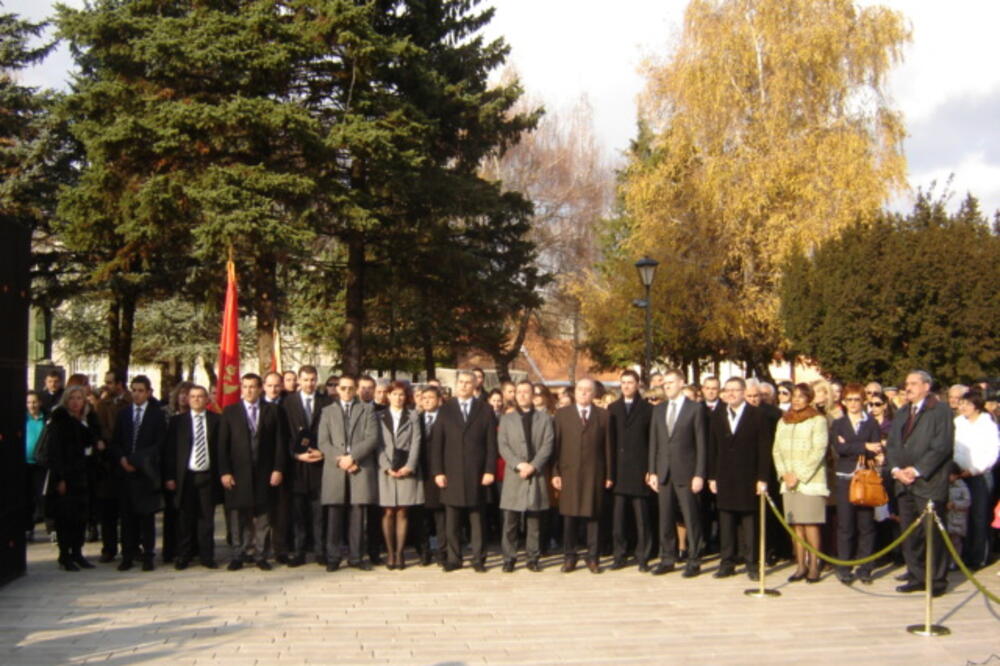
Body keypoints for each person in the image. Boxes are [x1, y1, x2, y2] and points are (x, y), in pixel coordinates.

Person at [886, 370, 954, 597]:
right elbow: (893, 444)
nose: (908, 387)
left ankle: (936, 580)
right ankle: (916, 575)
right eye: (907, 383)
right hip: (904, 484)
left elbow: (942, 446)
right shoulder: (903, 411)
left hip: (928, 483)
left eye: (914, 383)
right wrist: (896, 470)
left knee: (931, 533)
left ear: (927, 386)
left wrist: (916, 470)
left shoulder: (939, 410)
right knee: (910, 533)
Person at [430, 369, 498, 572]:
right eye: (461, 382)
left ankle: (479, 559)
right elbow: (437, 444)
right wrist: (438, 472)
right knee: (452, 519)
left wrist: (489, 470)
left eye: (469, 382)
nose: (465, 386)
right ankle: (454, 558)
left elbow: (491, 444)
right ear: (456, 384)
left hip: (477, 472)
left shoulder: (484, 409)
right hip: (451, 472)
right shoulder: (446, 409)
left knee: (477, 519)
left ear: (475, 385)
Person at [218, 373, 286, 571]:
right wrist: (225, 472)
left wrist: (278, 468)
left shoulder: (272, 410)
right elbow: (222, 446)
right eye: (246, 386)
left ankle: (260, 554)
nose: (249, 390)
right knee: (239, 516)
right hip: (238, 474)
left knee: (263, 516)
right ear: (241, 388)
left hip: (264, 472)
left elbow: (280, 443)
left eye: (253, 387)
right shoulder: (230, 412)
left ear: (260, 389)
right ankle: (239, 554)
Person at [708, 377, 770, 580]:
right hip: (724, 475)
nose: (731, 393)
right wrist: (712, 476)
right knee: (726, 520)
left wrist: (762, 477)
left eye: (736, 390)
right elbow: (713, 447)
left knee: (749, 522)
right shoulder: (718, 414)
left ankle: (752, 563)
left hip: (748, 475)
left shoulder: (757, 415)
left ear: (744, 392)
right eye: (728, 390)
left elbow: (764, 449)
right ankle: (727, 562)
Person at [647, 368, 707, 577]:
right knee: (665, 517)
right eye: (665, 383)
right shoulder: (659, 409)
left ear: (682, 383)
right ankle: (667, 558)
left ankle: (694, 559)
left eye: (671, 382)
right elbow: (654, 442)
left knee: (691, 517)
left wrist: (699, 474)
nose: (667, 386)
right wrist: (652, 471)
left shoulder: (695, 409)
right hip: (663, 472)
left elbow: (701, 444)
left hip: (687, 472)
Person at [317, 374, 379, 571]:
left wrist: (353, 457)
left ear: (356, 390)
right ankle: (333, 557)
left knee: (357, 513)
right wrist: (342, 459)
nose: (346, 392)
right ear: (337, 390)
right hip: (336, 468)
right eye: (342, 388)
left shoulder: (367, 410)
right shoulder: (327, 412)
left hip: (359, 467)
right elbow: (323, 442)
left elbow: (372, 438)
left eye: (350, 388)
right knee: (334, 514)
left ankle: (356, 556)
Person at [552, 378, 613, 574]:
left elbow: (608, 448)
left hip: (594, 472)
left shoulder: (603, 416)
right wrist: (555, 472)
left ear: (594, 394)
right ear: (574, 393)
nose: (584, 393)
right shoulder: (562, 415)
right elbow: (556, 447)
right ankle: (570, 557)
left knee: (593, 516)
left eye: (588, 390)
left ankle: (592, 557)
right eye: (580, 390)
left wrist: (609, 474)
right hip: (569, 472)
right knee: (569, 517)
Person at [773, 383, 829, 584]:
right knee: (796, 524)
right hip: (788, 481)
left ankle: (814, 565)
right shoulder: (783, 421)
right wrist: (784, 474)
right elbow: (776, 450)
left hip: (810, 481)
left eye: (801, 396)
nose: (796, 400)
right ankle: (800, 565)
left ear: (809, 399)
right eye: (794, 396)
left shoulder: (817, 420)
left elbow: (819, 451)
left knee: (811, 524)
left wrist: (801, 475)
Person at [110, 375, 166, 572]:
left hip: (145, 473)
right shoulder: (124, 414)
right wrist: (123, 459)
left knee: (146, 517)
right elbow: (115, 441)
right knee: (126, 518)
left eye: (141, 390)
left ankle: (148, 555)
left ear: (149, 392)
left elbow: (159, 444)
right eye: (134, 390)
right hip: (126, 473)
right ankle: (127, 554)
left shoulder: (157, 415)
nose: (137, 394)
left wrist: (138, 461)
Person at [497, 380, 554, 572]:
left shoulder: (544, 419)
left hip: (535, 474)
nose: (522, 395)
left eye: (526, 392)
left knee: (534, 520)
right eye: (519, 392)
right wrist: (518, 464)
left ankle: (533, 557)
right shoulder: (507, 419)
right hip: (515, 474)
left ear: (533, 395)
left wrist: (534, 465)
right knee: (510, 521)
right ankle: (509, 558)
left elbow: (548, 445)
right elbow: (503, 445)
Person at [829, 383, 883, 584]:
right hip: (845, 477)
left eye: (857, 399)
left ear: (863, 401)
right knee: (845, 524)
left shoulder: (871, 424)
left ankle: (865, 567)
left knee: (866, 524)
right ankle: (844, 567)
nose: (853, 403)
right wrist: (862, 446)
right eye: (849, 399)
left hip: (865, 478)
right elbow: (839, 448)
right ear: (843, 402)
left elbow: (875, 448)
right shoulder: (839, 424)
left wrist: (855, 446)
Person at [164, 385, 221, 569]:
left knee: (206, 519)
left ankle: (207, 556)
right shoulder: (177, 422)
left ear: (207, 400)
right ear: (188, 400)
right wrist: (170, 477)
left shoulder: (216, 420)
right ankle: (184, 555)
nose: (197, 399)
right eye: (193, 396)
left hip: (207, 475)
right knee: (185, 518)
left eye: (200, 396)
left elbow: (221, 450)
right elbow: (169, 452)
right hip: (185, 477)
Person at [282, 365, 330, 567]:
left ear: (316, 380)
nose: (309, 383)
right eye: (305, 380)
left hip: (320, 465)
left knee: (319, 512)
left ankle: (320, 551)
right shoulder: (287, 403)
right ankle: (299, 551)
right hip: (297, 466)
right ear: (298, 381)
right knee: (298, 512)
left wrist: (323, 452)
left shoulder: (326, 402)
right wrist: (294, 454)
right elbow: (283, 433)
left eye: (312, 380)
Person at [608, 370, 654, 571]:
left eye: (630, 382)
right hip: (618, 470)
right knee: (618, 518)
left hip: (639, 469)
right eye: (623, 382)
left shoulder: (647, 409)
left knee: (641, 518)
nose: (626, 386)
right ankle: (619, 555)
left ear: (638, 385)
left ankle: (643, 555)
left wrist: (650, 469)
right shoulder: (612, 408)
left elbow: (652, 442)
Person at [45, 386, 95, 571]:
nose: (75, 402)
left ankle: (77, 552)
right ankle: (64, 555)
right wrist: (60, 478)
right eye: (72, 398)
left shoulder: (84, 421)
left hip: (82, 476)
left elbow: (91, 441)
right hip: (66, 476)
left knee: (80, 518)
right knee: (65, 517)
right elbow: (55, 453)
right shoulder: (60, 422)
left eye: (79, 398)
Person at [377, 382, 423, 569]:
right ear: (388, 396)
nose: (398, 398)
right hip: (386, 469)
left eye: (401, 395)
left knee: (403, 510)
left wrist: (409, 466)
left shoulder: (413, 416)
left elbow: (416, 442)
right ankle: (390, 552)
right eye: (394, 394)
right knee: (388, 511)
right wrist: (386, 466)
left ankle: (401, 552)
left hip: (406, 468)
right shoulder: (379, 416)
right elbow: (377, 444)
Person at [953, 390, 999, 570]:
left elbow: (991, 452)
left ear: (977, 406)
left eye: (967, 404)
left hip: (980, 474)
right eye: (961, 403)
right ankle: (961, 554)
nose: (962, 407)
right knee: (961, 516)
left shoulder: (987, 425)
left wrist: (974, 470)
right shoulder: (957, 423)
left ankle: (979, 556)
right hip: (958, 473)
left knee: (979, 516)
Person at [416, 386, 446, 566]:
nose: (427, 400)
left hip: (440, 472)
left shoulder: (446, 419)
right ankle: (424, 552)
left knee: (441, 516)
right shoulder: (415, 419)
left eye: (431, 397)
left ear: (439, 399)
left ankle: (442, 552)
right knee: (421, 516)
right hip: (420, 473)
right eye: (424, 397)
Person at [25, 391, 47, 542]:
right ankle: (28, 528)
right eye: (29, 402)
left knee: (42, 496)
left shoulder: (45, 420)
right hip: (24, 464)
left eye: (34, 402)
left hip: (40, 464)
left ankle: (51, 528)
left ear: (40, 403)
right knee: (26, 498)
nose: (32, 405)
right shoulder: (22, 419)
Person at [945, 464, 971, 566]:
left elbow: (967, 501)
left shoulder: (962, 486)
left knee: (955, 541)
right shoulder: (943, 485)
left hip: (957, 518)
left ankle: (955, 561)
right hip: (946, 517)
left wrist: (955, 504)